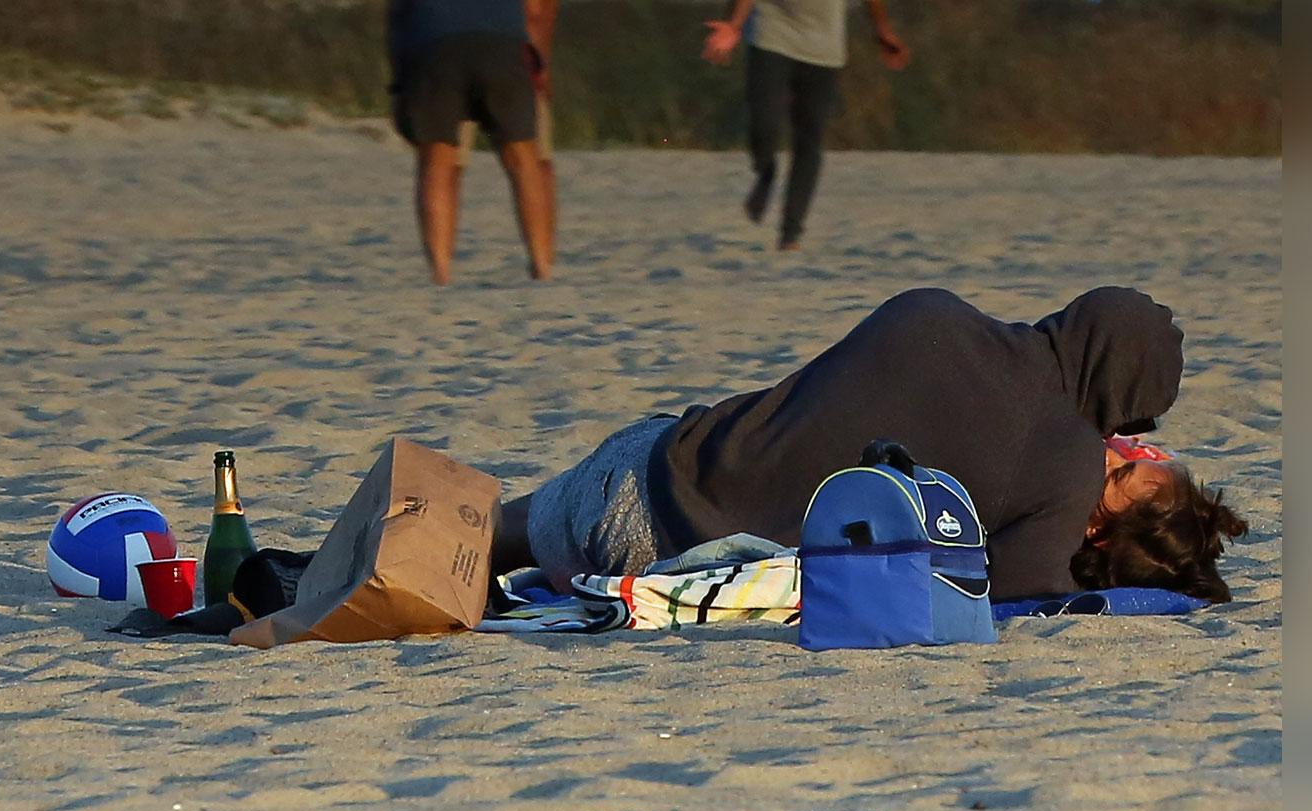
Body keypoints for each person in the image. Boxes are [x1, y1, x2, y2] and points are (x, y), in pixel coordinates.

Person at [490, 286, 1248, 603]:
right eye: (1133, 429)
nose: (1123, 443)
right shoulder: (1064, 460)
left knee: (512, 524)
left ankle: (487, 532)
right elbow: (1026, 589)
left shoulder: (933, 313)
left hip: (628, 480)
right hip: (672, 571)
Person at [701, 0, 910, 251]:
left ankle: (791, 233)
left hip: (823, 48)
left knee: (809, 140)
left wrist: (882, 30)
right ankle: (765, 171)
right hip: (772, 32)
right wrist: (734, 24)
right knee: (764, 121)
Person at [387, 0, 553, 285]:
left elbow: (397, 15)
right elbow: (536, 11)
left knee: (437, 159)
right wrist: (538, 61)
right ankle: (541, 265)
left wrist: (400, 74)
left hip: (435, 42)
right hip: (502, 43)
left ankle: (441, 271)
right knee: (522, 156)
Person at [456, 0, 559, 240]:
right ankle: (543, 252)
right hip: (507, 61)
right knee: (535, 163)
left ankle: (442, 263)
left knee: (447, 163)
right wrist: (542, 62)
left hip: (466, 56)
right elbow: (539, 13)